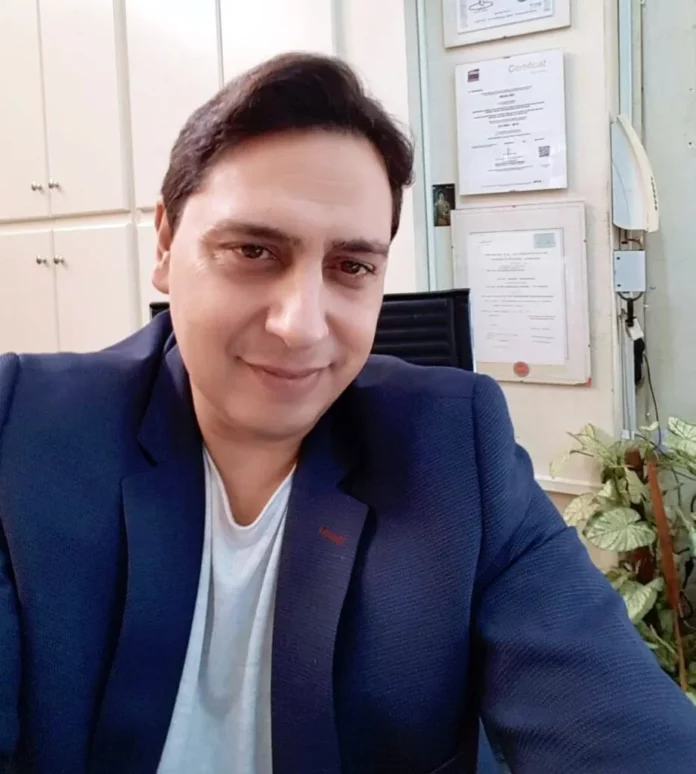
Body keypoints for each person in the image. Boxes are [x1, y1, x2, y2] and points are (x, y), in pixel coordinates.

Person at [0, 53, 694, 774]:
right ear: (167, 244)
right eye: (253, 250)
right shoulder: (25, 430)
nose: (301, 326)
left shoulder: (454, 449)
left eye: (352, 267)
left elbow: (621, 728)